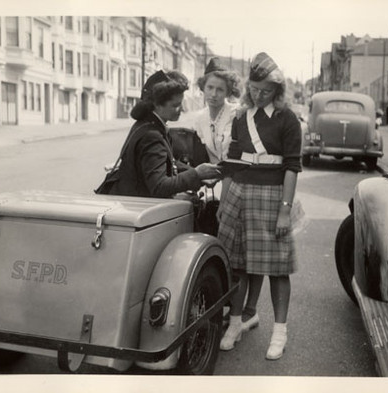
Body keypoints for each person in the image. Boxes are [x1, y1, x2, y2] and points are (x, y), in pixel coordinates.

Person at [217, 52, 302, 360]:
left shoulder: (288, 119)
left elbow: (292, 167)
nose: (258, 94)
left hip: (271, 195)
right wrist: (224, 201)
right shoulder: (241, 117)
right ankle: (236, 323)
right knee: (237, 265)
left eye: (265, 90)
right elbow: (231, 163)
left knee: (278, 269)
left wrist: (284, 210)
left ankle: (280, 330)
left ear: (277, 91)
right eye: (254, 88)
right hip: (239, 193)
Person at [194, 58, 262, 330]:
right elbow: (207, 155)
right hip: (221, 184)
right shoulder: (199, 118)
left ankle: (250, 310)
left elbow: (243, 157)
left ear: (228, 92)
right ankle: (232, 307)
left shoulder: (236, 114)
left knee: (250, 252)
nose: (213, 94)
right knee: (228, 250)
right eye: (209, 88)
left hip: (245, 182)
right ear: (203, 88)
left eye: (219, 90)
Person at [107, 70, 221, 198]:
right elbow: (159, 186)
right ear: (157, 104)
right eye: (176, 105)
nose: (182, 109)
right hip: (143, 208)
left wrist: (196, 172)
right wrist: (196, 174)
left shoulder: (147, 124)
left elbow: (167, 161)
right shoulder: (152, 136)